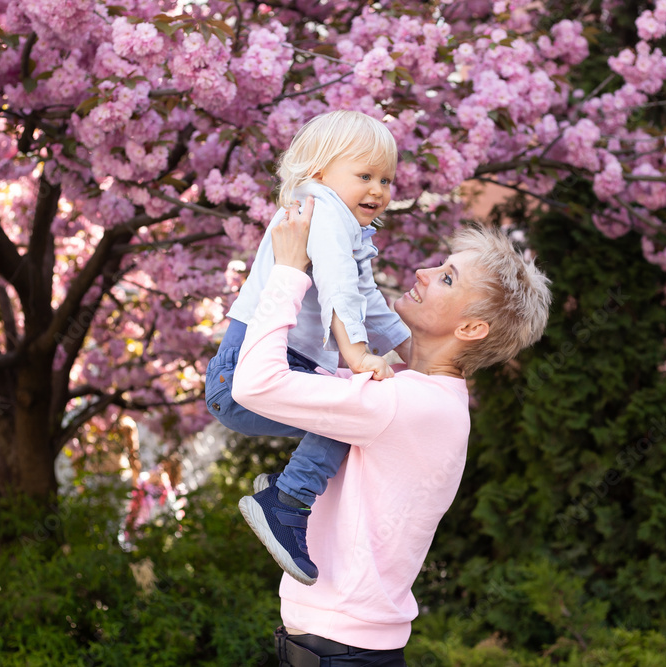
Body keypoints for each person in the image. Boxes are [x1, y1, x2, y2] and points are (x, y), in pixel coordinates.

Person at [231, 198, 552, 666]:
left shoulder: (404, 404)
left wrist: (287, 271)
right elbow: (362, 315)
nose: (423, 272)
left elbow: (254, 385)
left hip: (341, 654)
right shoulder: (415, 394)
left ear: (471, 327)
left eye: (447, 278)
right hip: (336, 650)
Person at [204, 111, 411, 585]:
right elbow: (339, 289)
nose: (378, 190)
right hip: (244, 372)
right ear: (319, 171)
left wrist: (410, 347)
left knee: (350, 410)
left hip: (265, 366)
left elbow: (366, 299)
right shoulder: (321, 209)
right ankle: (287, 502)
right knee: (352, 409)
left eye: (386, 179)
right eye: (364, 176)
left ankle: (284, 492)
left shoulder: (340, 221)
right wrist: (357, 355)